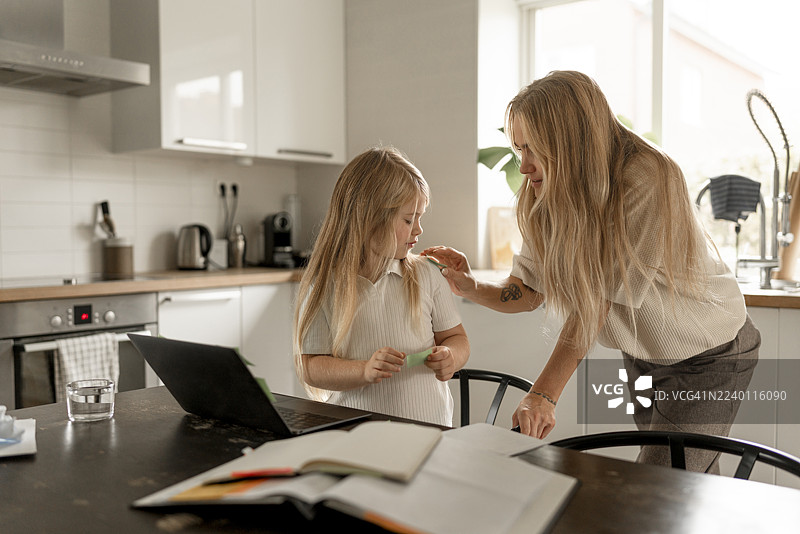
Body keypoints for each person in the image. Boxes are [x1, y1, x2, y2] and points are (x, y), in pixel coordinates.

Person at [423, 70, 759, 472]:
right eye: (519, 149)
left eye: (535, 148)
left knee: (658, 486)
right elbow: (527, 290)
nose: (525, 166)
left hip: (711, 354)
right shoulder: (546, 191)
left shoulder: (648, 177)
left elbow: (597, 299)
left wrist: (543, 395)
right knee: (689, 489)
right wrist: (470, 286)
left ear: (572, 142)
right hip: (645, 355)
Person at [293, 146, 470, 426]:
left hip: (430, 432)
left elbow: (457, 339)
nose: (419, 229)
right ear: (369, 219)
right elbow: (311, 367)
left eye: (420, 218)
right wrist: (363, 370)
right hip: (356, 435)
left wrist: (452, 356)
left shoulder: (427, 275)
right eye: (409, 219)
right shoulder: (326, 285)